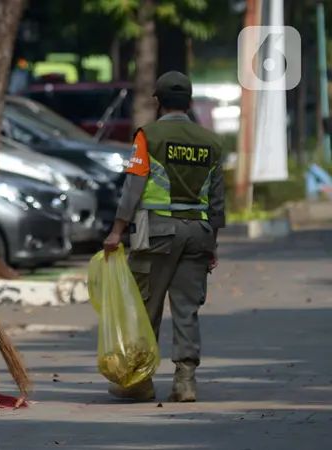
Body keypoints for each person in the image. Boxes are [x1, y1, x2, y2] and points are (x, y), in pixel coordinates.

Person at [102, 71, 225, 403]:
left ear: (157, 101)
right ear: (189, 101)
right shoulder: (212, 143)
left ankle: (140, 382)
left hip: (157, 234)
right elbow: (217, 202)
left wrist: (116, 231)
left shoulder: (149, 136)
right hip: (198, 234)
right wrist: (211, 244)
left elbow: (133, 188)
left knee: (146, 309)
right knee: (186, 311)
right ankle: (185, 382)